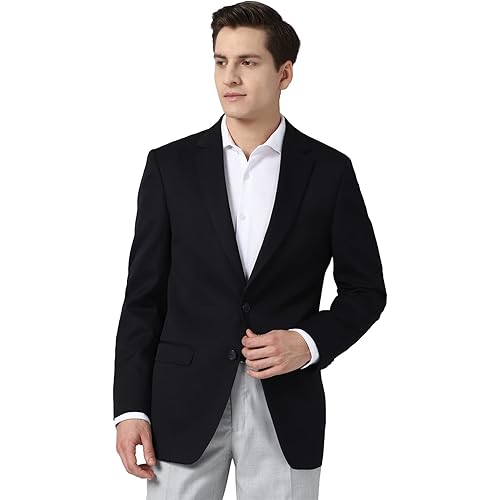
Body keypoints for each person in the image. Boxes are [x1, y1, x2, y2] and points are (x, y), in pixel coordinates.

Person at [113, 2, 387, 498]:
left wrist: (307, 342)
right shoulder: (169, 167)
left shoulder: (329, 172)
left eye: (248, 62)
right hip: (182, 402)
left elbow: (365, 290)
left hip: (286, 400)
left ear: (285, 74)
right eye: (221, 61)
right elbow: (142, 299)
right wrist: (131, 407)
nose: (230, 77)